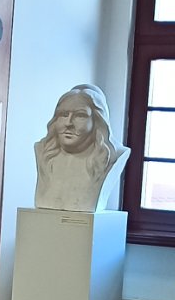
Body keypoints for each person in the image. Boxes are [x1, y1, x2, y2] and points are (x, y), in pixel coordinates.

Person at [33, 83, 129, 212]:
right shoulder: (43, 151)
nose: (68, 123)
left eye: (80, 115)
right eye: (63, 114)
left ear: (97, 121)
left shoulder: (114, 155)